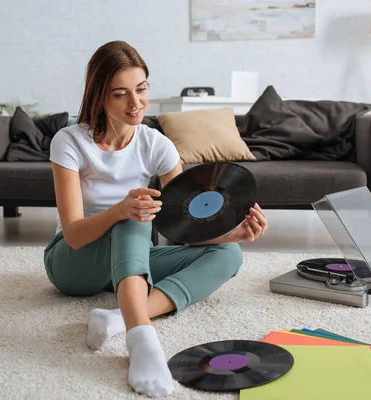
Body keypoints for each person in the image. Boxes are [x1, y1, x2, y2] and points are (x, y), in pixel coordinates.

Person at [43, 40, 269, 398]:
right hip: (74, 264)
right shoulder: (69, 142)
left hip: (129, 266)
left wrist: (232, 234)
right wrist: (120, 210)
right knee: (135, 214)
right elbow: (72, 234)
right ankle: (142, 339)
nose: (135, 103)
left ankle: (119, 316)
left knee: (229, 255)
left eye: (142, 89)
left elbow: (182, 230)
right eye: (120, 94)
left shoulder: (157, 145)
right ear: (99, 95)